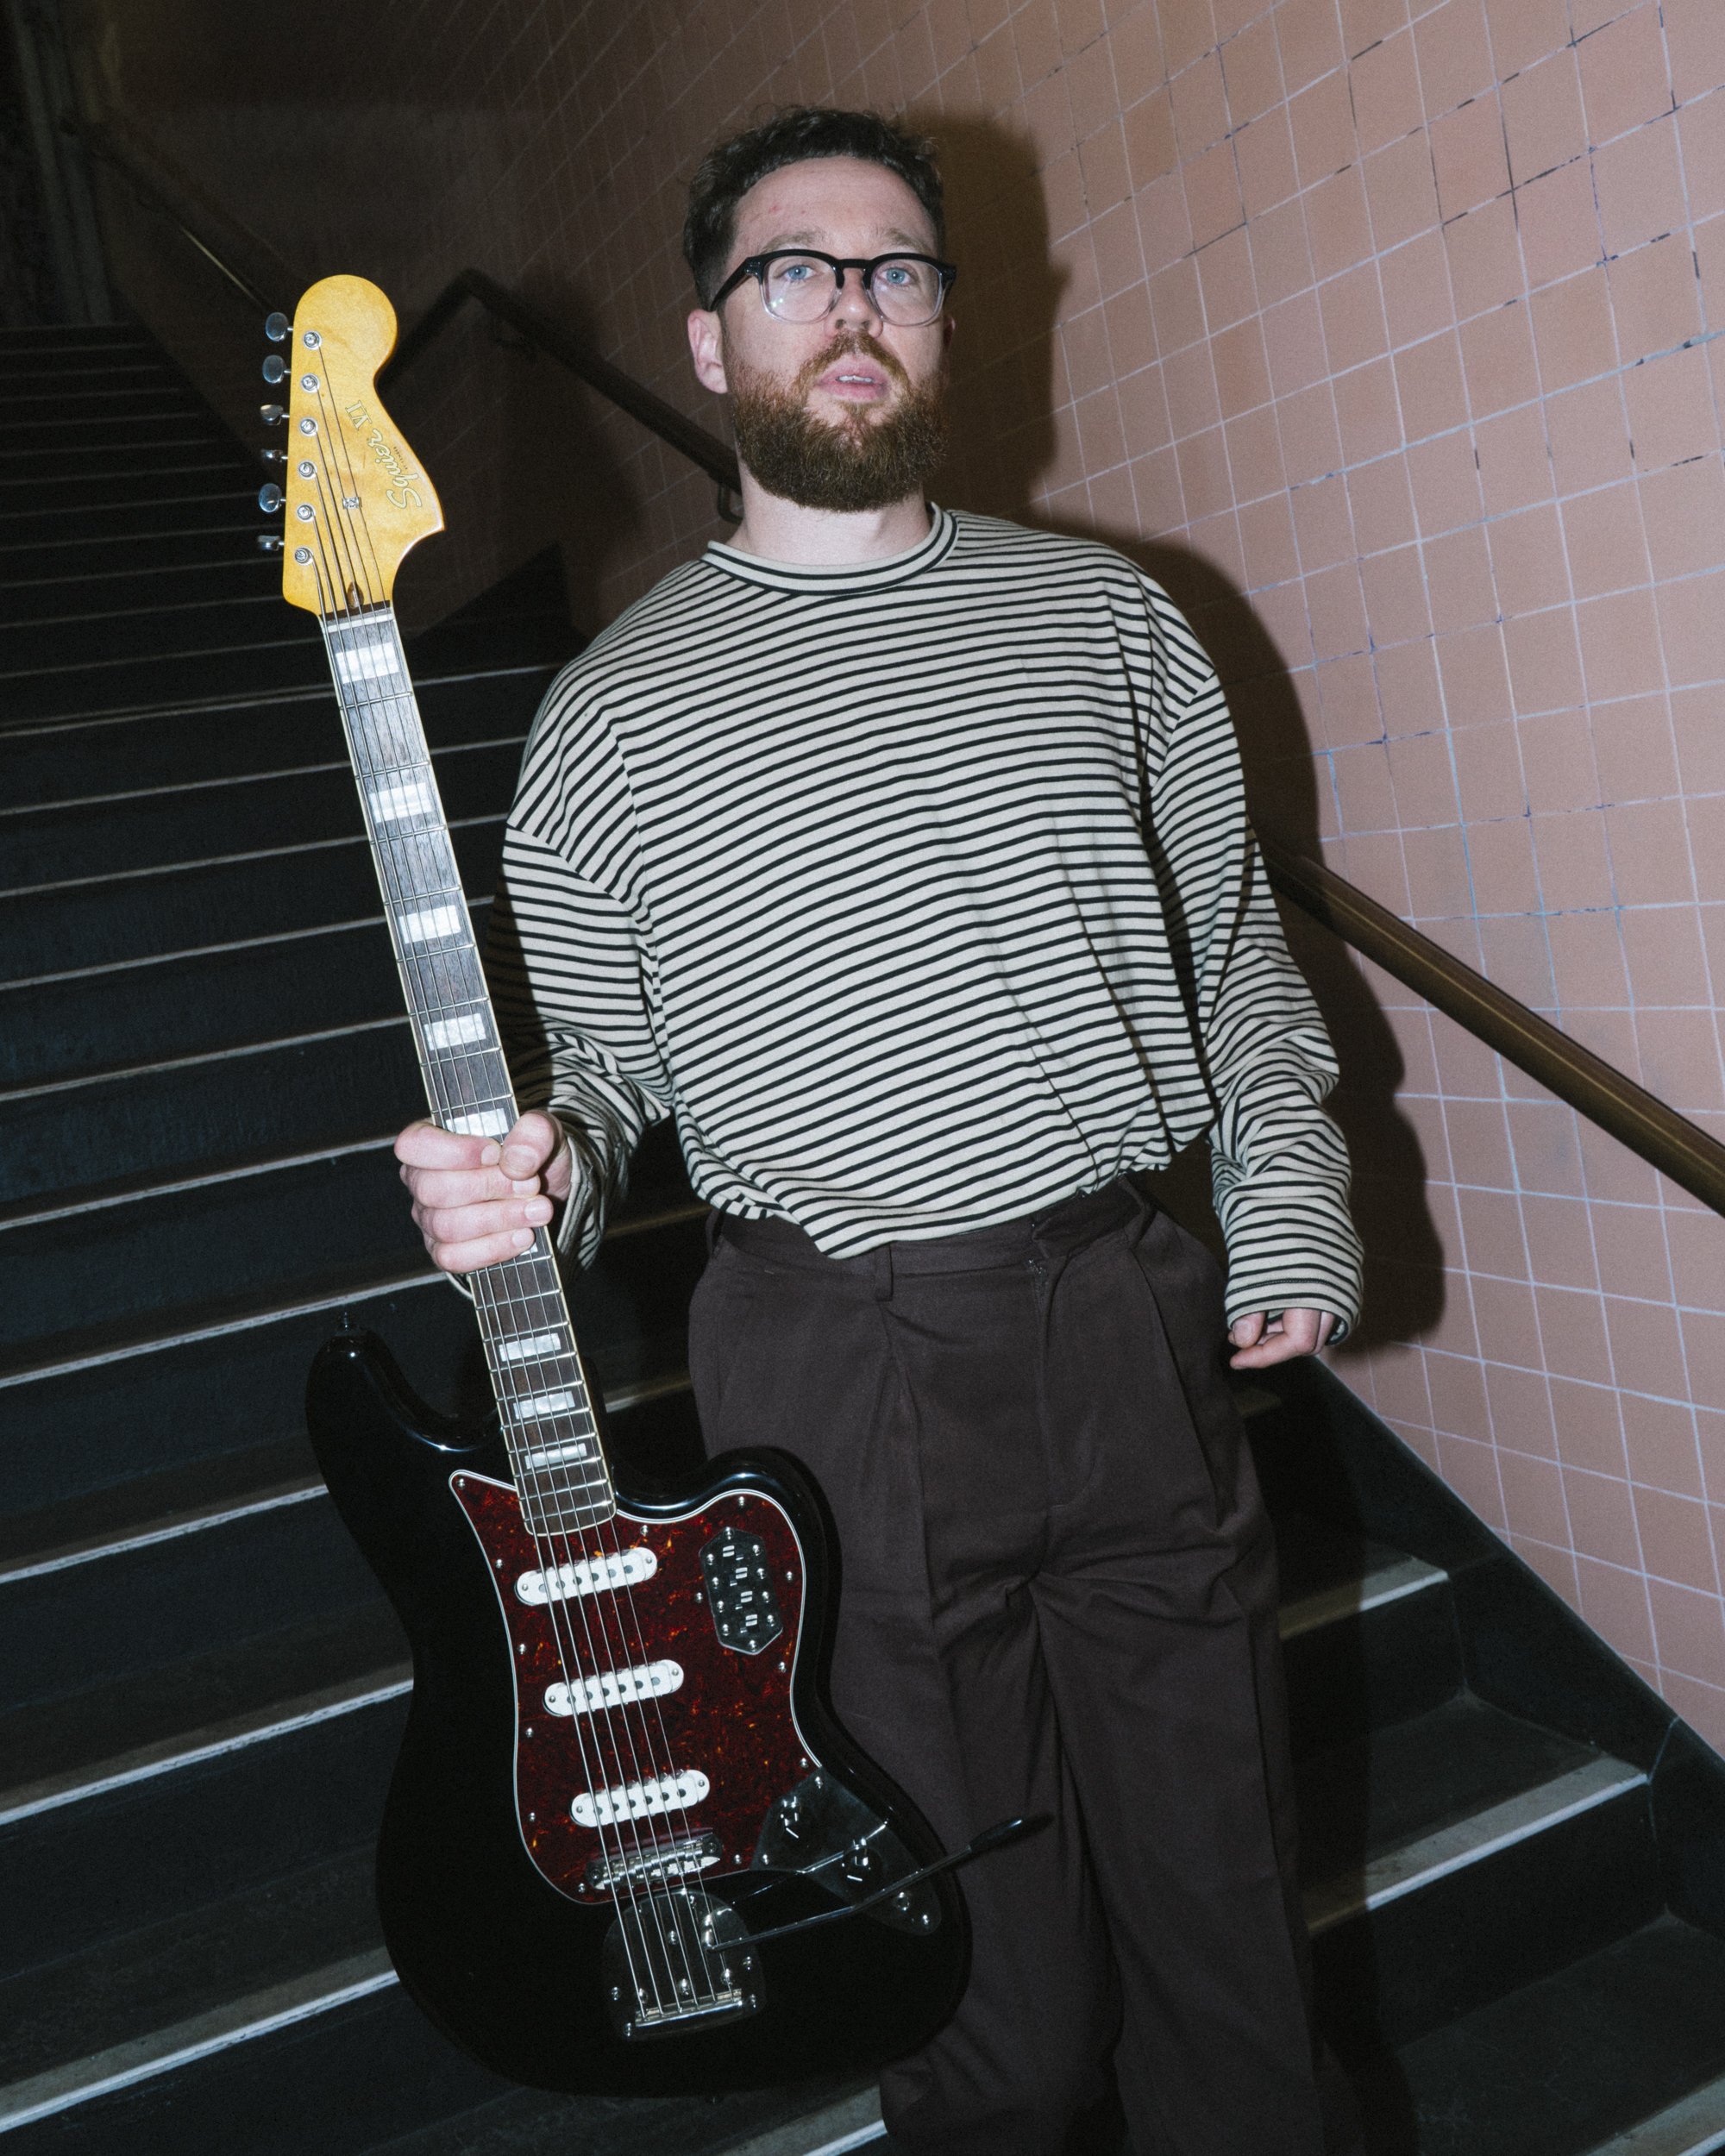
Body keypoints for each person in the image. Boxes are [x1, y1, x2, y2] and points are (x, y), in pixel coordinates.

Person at [396, 107, 1364, 2156]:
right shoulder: (607, 715)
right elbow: (609, 1070)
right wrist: (544, 1166)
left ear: (943, 321)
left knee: (1230, 1958)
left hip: (1124, 1314)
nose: (851, 306)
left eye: (896, 268)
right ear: (710, 337)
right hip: (835, 1366)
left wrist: (1283, 1202)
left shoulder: (1110, 618)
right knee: (975, 2013)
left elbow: (1237, 958)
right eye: (794, 271)